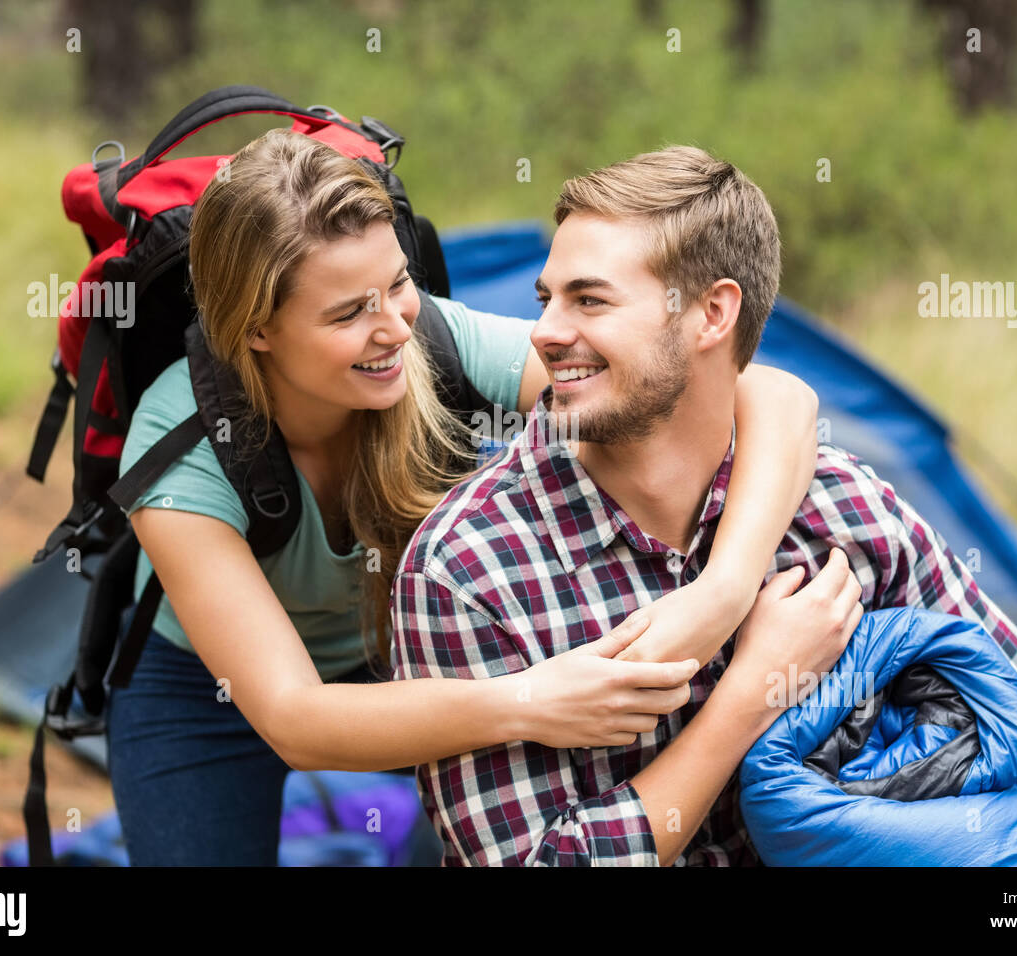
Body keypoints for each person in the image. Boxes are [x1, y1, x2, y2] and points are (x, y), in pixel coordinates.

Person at [106, 127, 825, 865]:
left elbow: (771, 394)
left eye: (397, 285)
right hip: (208, 690)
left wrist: (723, 591)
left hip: (404, 655)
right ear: (258, 329)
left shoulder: (436, 344)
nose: (393, 330)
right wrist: (530, 699)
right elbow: (296, 716)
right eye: (349, 313)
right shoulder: (182, 443)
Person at [390, 145, 1017, 866]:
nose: (544, 330)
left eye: (590, 299)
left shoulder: (841, 506)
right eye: (548, 299)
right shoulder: (467, 564)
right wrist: (750, 695)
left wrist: (988, 852)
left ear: (712, 314)